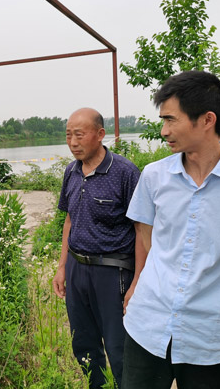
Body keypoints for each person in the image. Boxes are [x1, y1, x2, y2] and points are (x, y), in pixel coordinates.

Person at [122, 70, 220, 389]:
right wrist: (137, 283)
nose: (164, 130)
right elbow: (146, 239)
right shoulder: (154, 176)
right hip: (149, 323)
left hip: (212, 333)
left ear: (207, 120)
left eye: (171, 120)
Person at [52, 107, 143, 388]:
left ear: (100, 134)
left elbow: (142, 229)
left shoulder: (125, 172)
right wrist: (62, 266)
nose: (73, 142)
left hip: (112, 271)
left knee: (119, 348)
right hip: (78, 269)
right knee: (84, 345)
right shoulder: (71, 171)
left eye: (79, 135)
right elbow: (69, 219)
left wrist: (138, 280)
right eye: (68, 136)